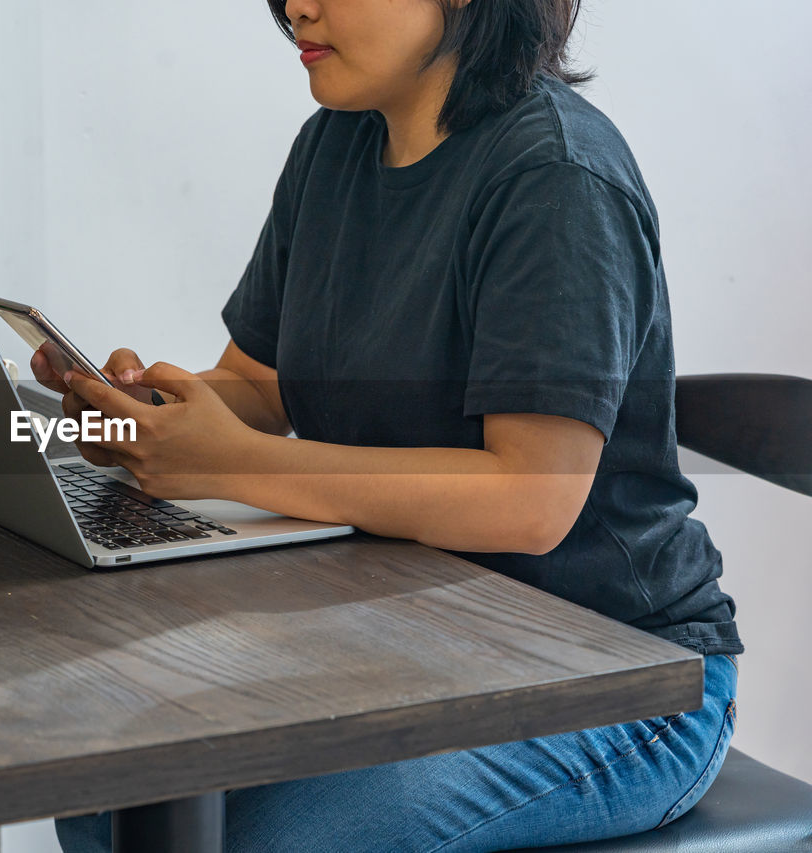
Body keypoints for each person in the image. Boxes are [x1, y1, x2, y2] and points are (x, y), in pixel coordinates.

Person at [38, 0, 742, 849]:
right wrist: (152, 419)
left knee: (263, 835)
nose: (298, 6)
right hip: (414, 638)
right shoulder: (335, 144)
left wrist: (233, 466)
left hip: (623, 681)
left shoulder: (555, 176)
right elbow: (260, 384)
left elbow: (532, 498)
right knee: (103, 780)